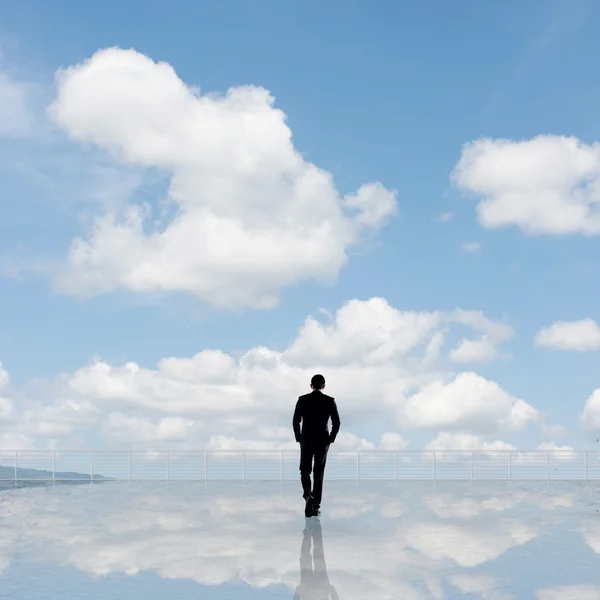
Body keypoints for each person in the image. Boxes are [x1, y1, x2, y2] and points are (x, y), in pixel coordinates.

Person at [293, 374, 340, 517]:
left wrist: (299, 438)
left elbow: (296, 421)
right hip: (322, 440)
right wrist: (331, 438)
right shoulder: (329, 401)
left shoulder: (303, 400)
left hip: (306, 439)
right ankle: (316, 504)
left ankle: (308, 495)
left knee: (305, 470)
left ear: (311, 385)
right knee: (318, 473)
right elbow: (336, 422)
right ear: (323, 386)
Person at [293, 516, 339, 600]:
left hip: (311, 585)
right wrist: (331, 589)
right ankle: (315, 529)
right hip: (316, 585)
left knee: (312, 555)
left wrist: (297, 593)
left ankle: (312, 529)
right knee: (314, 555)